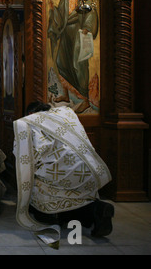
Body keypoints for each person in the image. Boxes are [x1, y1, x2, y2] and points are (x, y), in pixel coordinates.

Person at [13, 101, 113, 246]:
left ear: (30, 114)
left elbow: (24, 159)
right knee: (78, 198)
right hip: (88, 171)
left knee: (36, 188)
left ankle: (53, 216)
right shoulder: (66, 114)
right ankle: (96, 209)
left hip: (60, 176)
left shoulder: (27, 124)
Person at [47, 0, 98, 114]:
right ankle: (66, 95)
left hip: (77, 33)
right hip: (65, 32)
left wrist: (88, 27)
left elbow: (91, 12)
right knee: (61, 62)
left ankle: (85, 100)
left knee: (78, 65)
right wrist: (53, 9)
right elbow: (61, 16)